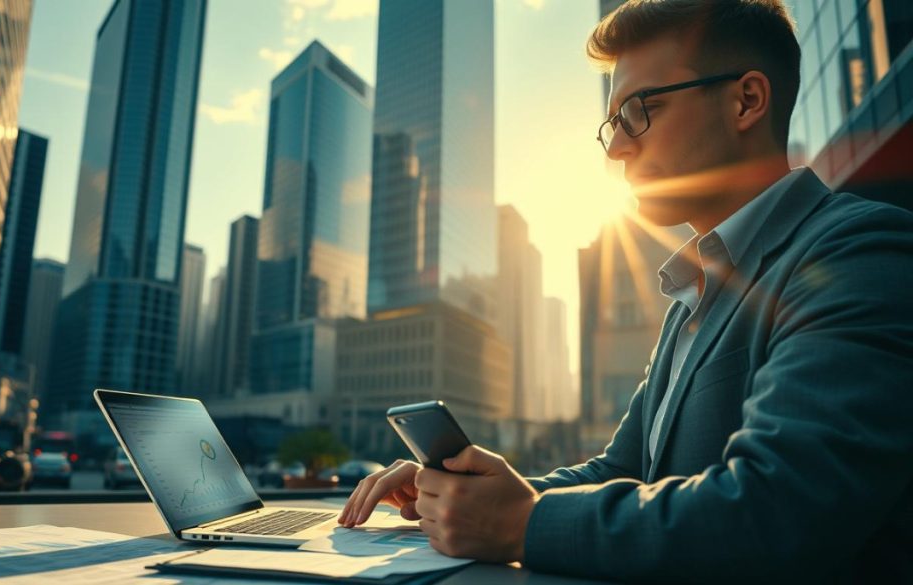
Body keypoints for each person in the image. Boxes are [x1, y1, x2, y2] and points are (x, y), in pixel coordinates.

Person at [338, 1, 913, 581]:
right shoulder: (694, 292)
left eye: (640, 110)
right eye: (613, 123)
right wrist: (468, 495)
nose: (616, 148)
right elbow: (626, 470)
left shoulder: (860, 251)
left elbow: (780, 511)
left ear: (747, 100)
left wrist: (521, 524)